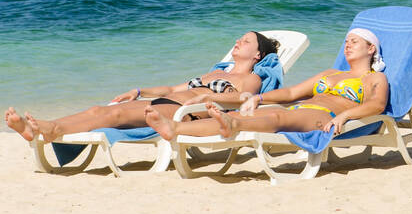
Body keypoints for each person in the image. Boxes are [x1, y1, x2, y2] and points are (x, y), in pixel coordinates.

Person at [4, 31, 279, 142]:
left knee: (115, 116)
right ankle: (43, 127)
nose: (238, 42)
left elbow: (245, 100)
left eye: (246, 41)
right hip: (168, 103)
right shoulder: (216, 71)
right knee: (101, 109)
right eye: (239, 38)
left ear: (257, 55)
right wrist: (138, 91)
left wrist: (209, 95)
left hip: (187, 113)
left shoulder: (251, 78)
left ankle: (51, 130)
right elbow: (172, 88)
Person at [147, 26, 388, 142]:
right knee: (269, 113)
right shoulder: (331, 73)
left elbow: (377, 105)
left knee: (275, 120)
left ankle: (228, 124)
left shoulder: (374, 78)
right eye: (346, 41)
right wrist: (258, 98)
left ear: (370, 48)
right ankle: (175, 129)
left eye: (354, 41)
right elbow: (293, 92)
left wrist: (345, 117)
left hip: (327, 117)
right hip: (301, 110)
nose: (347, 45)